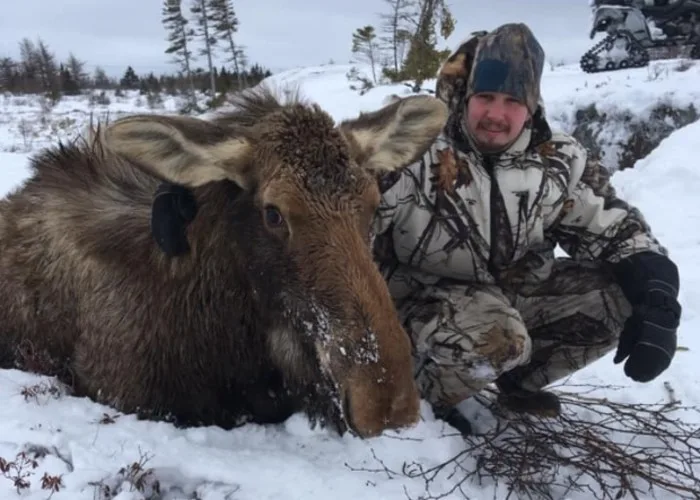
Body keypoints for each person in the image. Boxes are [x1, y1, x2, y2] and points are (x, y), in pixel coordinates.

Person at [149, 23, 682, 436]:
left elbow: (612, 226)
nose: (496, 114)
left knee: (619, 296)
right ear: (467, 96)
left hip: (510, 294)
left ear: (531, 106)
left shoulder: (558, 160)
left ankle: (512, 384)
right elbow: (318, 183)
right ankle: (426, 398)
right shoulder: (414, 153)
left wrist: (657, 292)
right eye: (486, 99)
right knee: (497, 337)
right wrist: (199, 193)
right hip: (424, 300)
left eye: (512, 102)